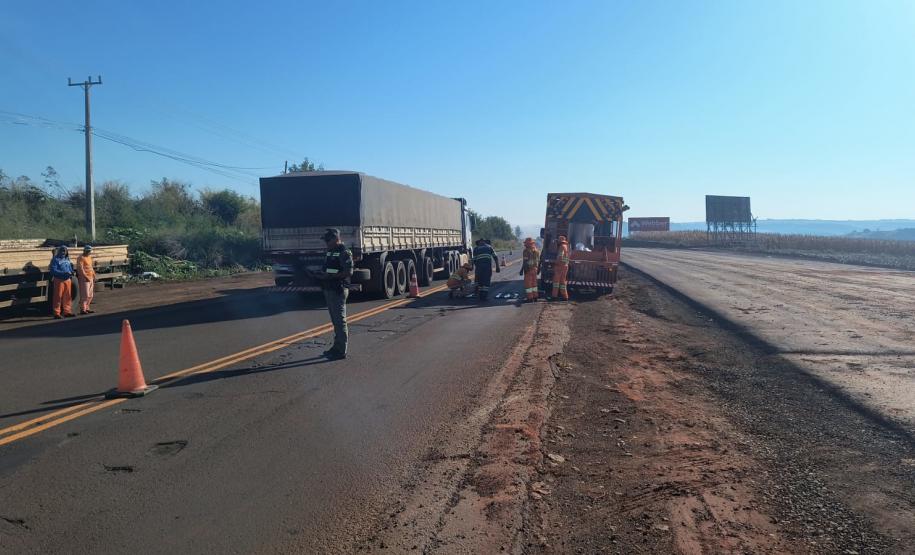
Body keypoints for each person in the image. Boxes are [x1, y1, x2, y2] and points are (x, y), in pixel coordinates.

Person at [315, 228, 353, 360]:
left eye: (328, 240)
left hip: (338, 289)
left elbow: (348, 272)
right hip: (329, 288)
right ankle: (336, 347)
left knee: (340, 321)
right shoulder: (330, 251)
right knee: (335, 321)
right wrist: (321, 275)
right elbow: (328, 267)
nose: (326, 243)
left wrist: (331, 276)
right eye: (325, 240)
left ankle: (341, 350)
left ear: (336, 239)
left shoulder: (344, 252)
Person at [49, 246, 76, 319]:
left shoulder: (67, 259)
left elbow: (70, 268)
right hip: (59, 280)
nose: (63, 252)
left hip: (67, 280)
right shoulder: (55, 260)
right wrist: (63, 273)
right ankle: (56, 313)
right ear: (59, 251)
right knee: (58, 297)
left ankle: (67, 312)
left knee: (68, 297)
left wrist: (72, 272)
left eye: (65, 251)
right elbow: (53, 270)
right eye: (62, 250)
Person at [76, 245, 97, 314]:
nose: (88, 252)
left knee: (90, 295)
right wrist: (85, 276)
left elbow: (90, 267)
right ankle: (83, 309)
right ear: (84, 250)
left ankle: (87, 308)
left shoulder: (89, 257)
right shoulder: (80, 258)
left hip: (90, 277)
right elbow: (80, 269)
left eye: (89, 251)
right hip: (84, 279)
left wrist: (94, 274)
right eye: (87, 251)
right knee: (85, 294)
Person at [520, 237, 540, 302]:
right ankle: (535, 297)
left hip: (529, 269)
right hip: (535, 269)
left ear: (528, 244)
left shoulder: (526, 251)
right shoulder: (536, 250)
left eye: (526, 243)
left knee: (528, 284)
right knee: (534, 284)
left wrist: (522, 270)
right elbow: (538, 261)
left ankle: (530, 298)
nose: (525, 245)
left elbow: (525, 261)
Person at [550, 235, 570, 301]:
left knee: (556, 282)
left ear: (560, 242)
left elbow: (560, 257)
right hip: (565, 266)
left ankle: (554, 296)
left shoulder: (561, 247)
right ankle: (565, 296)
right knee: (562, 282)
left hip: (560, 267)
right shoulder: (566, 247)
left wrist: (555, 262)